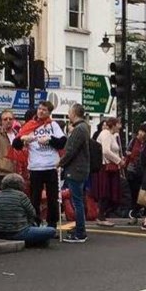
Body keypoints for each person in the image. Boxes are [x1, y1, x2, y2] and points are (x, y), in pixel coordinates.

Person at [12, 101, 67, 228]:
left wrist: (50, 140)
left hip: (51, 165)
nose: (41, 111)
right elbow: (16, 144)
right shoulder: (29, 125)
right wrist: (23, 139)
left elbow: (63, 142)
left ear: (49, 113)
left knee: (52, 197)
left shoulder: (53, 125)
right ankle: (35, 222)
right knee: (34, 197)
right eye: (40, 109)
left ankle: (52, 223)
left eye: (44, 110)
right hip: (35, 166)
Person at [0, 173, 57, 246]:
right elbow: (32, 213)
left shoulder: (0, 195)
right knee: (51, 231)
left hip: (0, 231)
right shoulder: (21, 196)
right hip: (18, 231)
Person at [58, 103, 91, 243]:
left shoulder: (79, 129)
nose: (68, 114)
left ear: (74, 113)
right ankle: (80, 228)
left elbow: (71, 150)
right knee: (79, 200)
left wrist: (60, 162)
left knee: (76, 201)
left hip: (75, 169)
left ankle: (80, 232)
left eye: (69, 112)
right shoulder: (84, 127)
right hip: (81, 168)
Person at [93, 117, 123, 225]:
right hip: (105, 167)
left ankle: (102, 215)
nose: (120, 126)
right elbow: (106, 151)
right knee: (105, 191)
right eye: (119, 124)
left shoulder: (112, 135)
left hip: (110, 168)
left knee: (110, 191)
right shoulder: (105, 134)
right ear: (114, 125)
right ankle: (101, 216)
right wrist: (118, 161)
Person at [125, 124, 146, 220]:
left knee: (143, 192)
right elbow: (127, 151)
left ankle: (140, 209)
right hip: (132, 170)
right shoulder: (134, 141)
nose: (141, 133)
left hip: (143, 171)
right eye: (140, 131)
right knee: (134, 192)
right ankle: (134, 211)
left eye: (143, 132)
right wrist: (132, 155)